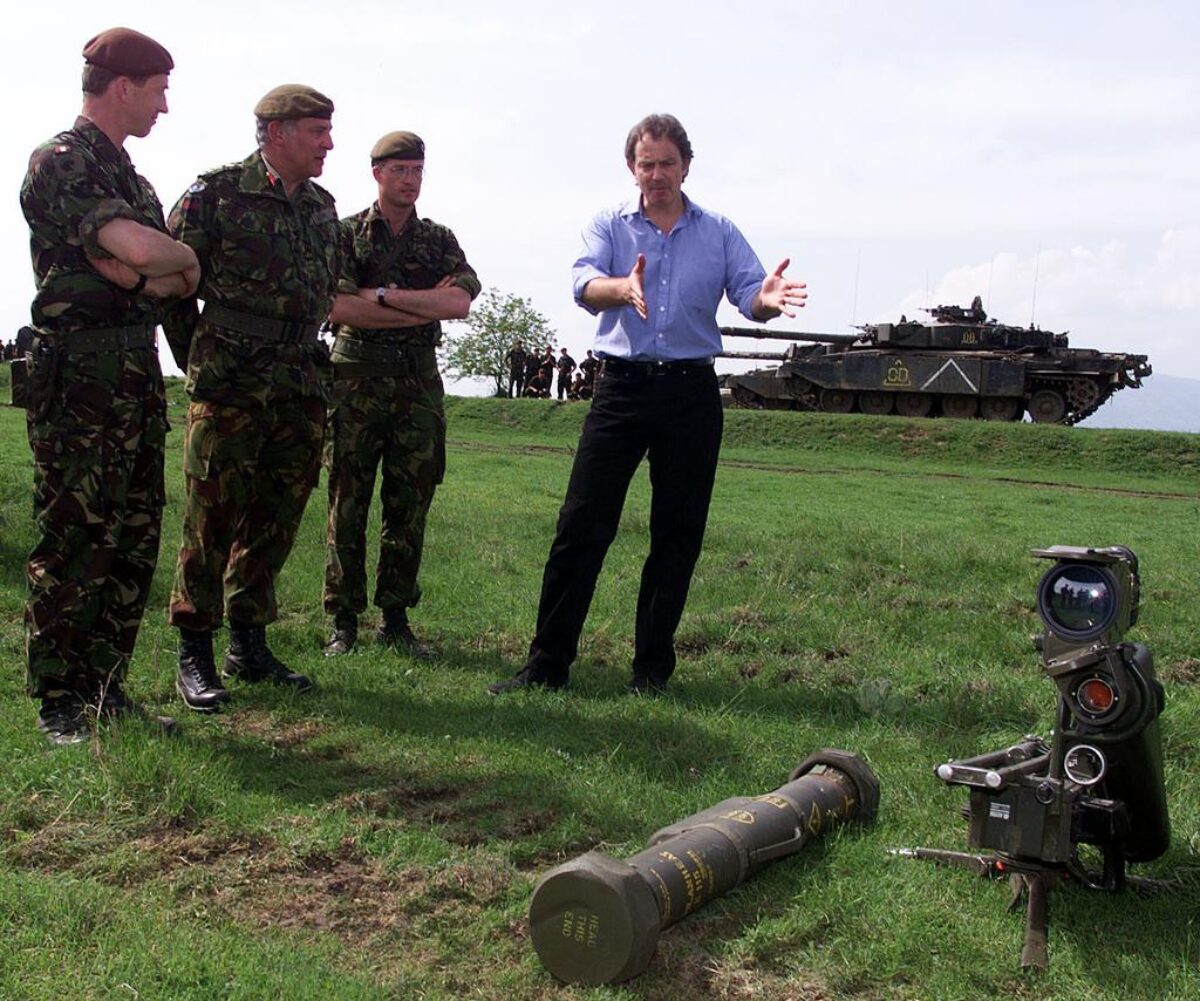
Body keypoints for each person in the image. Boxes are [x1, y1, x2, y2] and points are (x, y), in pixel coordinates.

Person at [489, 113, 805, 696]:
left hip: (690, 393)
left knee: (677, 534)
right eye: (646, 164)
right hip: (621, 388)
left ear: (687, 165)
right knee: (582, 525)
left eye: (667, 163)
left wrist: (766, 296)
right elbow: (583, 286)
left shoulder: (719, 231)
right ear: (632, 168)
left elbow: (750, 296)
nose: (656, 174)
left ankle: (651, 672)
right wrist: (622, 288)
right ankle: (546, 665)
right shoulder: (610, 225)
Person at [19, 28, 200, 744]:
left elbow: (179, 272)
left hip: (133, 370)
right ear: (123, 86)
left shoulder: (135, 182)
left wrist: (156, 260)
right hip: (79, 376)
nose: (165, 105)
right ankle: (57, 698)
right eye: (158, 89)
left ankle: (104, 686)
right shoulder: (60, 163)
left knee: (132, 533)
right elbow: (144, 254)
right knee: (74, 534)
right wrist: (145, 260)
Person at [164, 84, 342, 711]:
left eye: (329, 130)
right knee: (210, 515)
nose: (329, 143)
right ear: (276, 132)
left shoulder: (322, 207)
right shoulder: (215, 195)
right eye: (317, 130)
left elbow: (324, 294)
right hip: (230, 381)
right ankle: (195, 651)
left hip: (299, 380)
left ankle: (248, 642)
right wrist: (204, 357)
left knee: (276, 515)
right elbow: (172, 283)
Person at [322, 131, 479, 657]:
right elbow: (339, 309)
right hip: (354, 382)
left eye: (417, 171)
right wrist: (419, 305)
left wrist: (383, 296)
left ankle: (395, 618)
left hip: (417, 385)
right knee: (348, 502)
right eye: (399, 170)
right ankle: (343, 619)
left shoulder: (438, 240)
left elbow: (458, 303)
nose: (409, 180)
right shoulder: (344, 235)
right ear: (377, 173)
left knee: (409, 503)